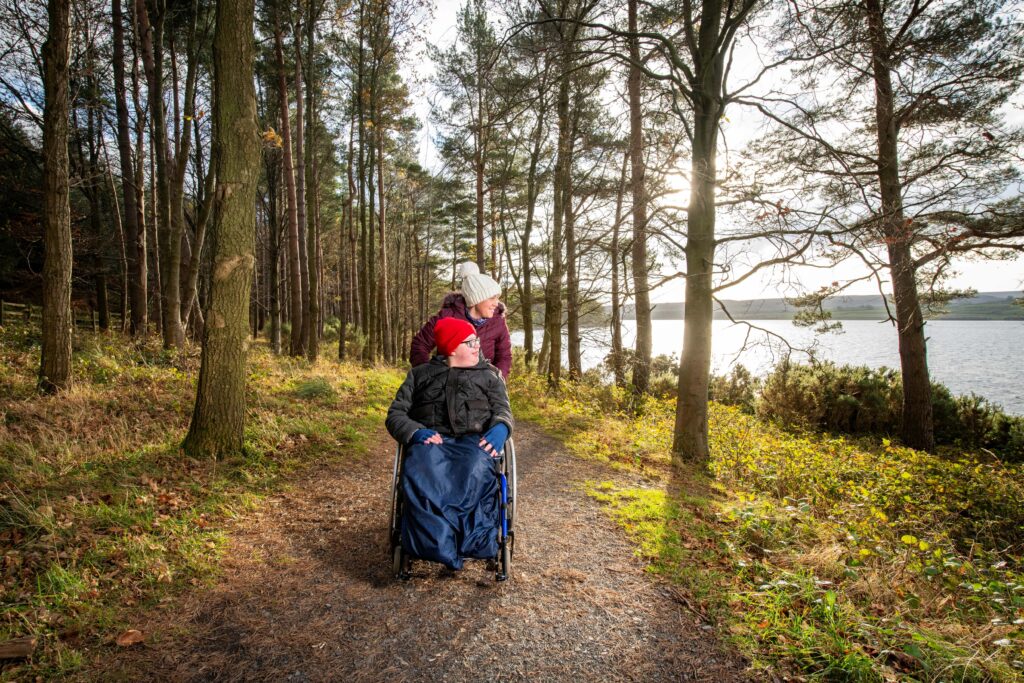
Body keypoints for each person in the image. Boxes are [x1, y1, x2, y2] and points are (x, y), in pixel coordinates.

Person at [386, 317, 513, 570]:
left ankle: (468, 542)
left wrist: (501, 427)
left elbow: (503, 409)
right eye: (470, 342)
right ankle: (440, 543)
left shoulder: (490, 375)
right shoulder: (420, 375)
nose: (478, 346)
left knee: (477, 467)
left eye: (477, 340)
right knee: (422, 468)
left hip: (473, 441)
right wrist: (414, 431)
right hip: (432, 440)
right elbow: (395, 414)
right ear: (452, 348)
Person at [409, 261, 512, 380]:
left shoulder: (498, 321)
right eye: (492, 298)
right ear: (476, 299)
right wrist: (430, 377)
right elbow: (419, 345)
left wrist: (495, 381)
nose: (496, 303)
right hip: (447, 388)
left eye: (497, 298)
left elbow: (504, 356)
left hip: (482, 390)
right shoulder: (446, 317)